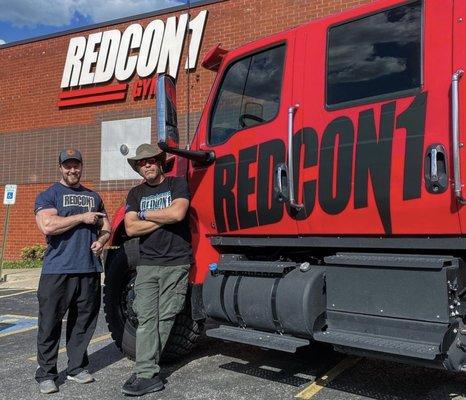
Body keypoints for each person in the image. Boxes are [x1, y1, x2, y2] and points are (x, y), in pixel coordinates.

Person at [34, 148, 111, 394]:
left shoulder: (93, 196)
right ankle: (46, 373)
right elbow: (48, 225)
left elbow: (106, 226)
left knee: (83, 322)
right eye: (67, 165)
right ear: (60, 168)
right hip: (57, 270)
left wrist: (102, 241)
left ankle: (77, 368)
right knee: (49, 323)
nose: (72, 170)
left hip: (89, 269)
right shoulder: (49, 195)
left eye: (76, 165)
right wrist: (81, 218)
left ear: (81, 166)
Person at [121, 143, 192, 397]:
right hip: (148, 264)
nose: (147, 165)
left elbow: (178, 213)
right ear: (138, 167)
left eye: (151, 160)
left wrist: (145, 215)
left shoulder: (177, 184)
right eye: (142, 162)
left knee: (166, 317)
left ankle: (145, 370)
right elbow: (130, 229)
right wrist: (161, 217)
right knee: (146, 318)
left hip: (175, 261)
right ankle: (147, 371)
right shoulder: (134, 193)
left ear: (159, 162)